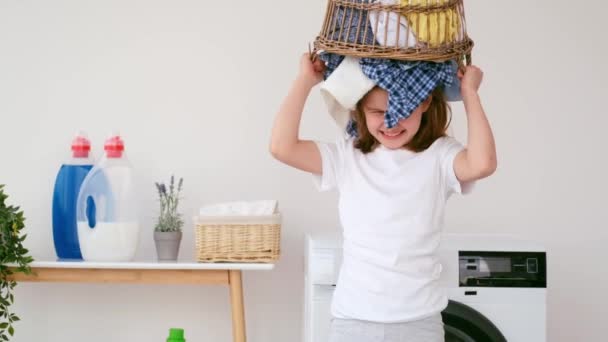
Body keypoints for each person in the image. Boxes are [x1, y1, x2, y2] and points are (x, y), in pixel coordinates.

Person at [270, 52, 497, 342]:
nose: (390, 123)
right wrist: (304, 81)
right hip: (353, 321)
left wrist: (470, 94)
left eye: (402, 110)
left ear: (425, 102)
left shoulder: (440, 155)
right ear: (360, 110)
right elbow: (281, 146)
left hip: (419, 322)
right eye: (378, 112)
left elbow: (483, 163)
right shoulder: (347, 156)